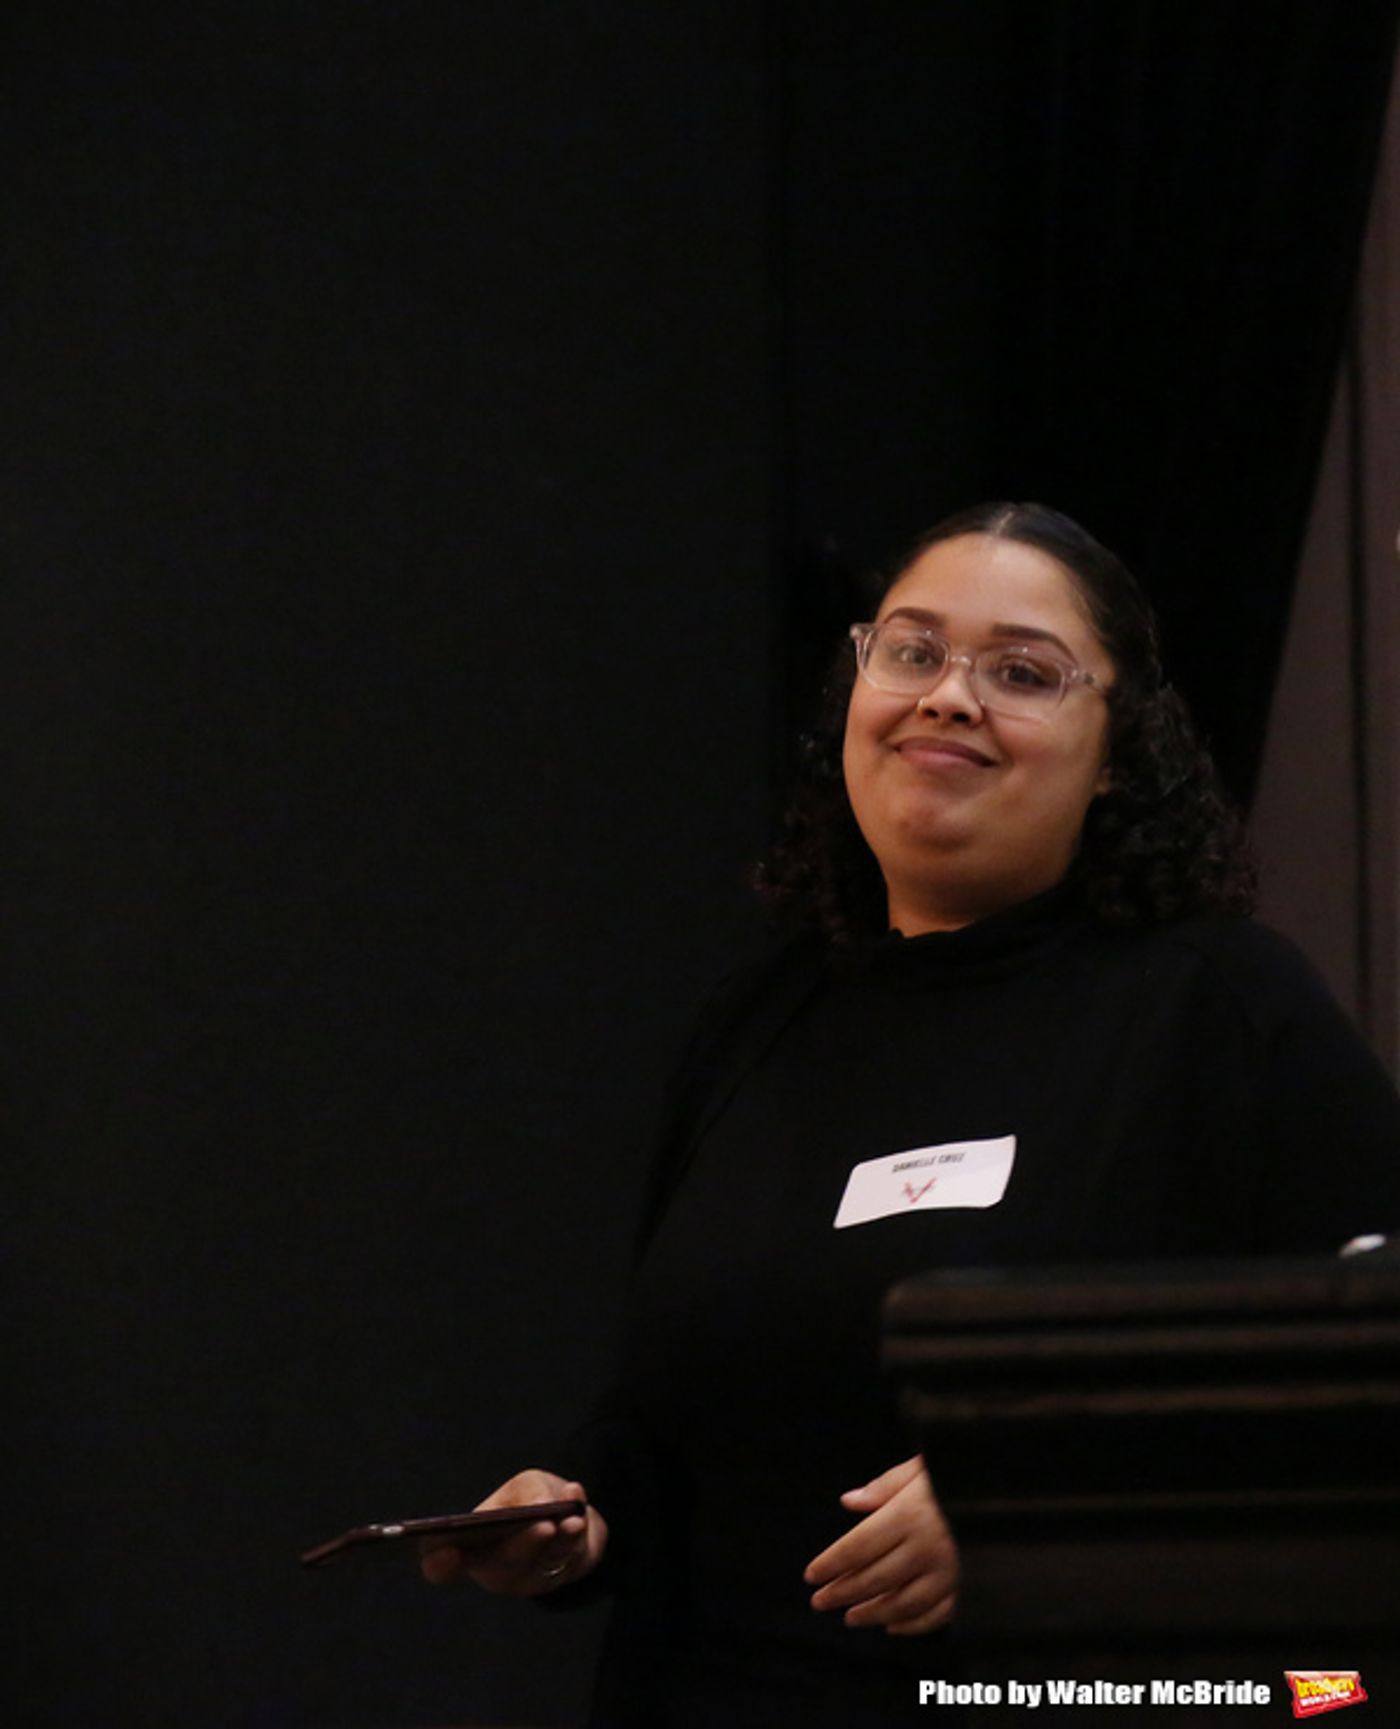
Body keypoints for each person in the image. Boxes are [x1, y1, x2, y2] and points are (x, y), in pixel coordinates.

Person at [423, 502, 1400, 1726]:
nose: (947, 696)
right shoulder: (762, 1019)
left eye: (1021, 672)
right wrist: (580, 1517)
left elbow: (1363, 1382)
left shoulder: (1214, 1006)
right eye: (911, 650)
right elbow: (683, 1410)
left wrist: (1050, 1498)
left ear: (1115, 752)